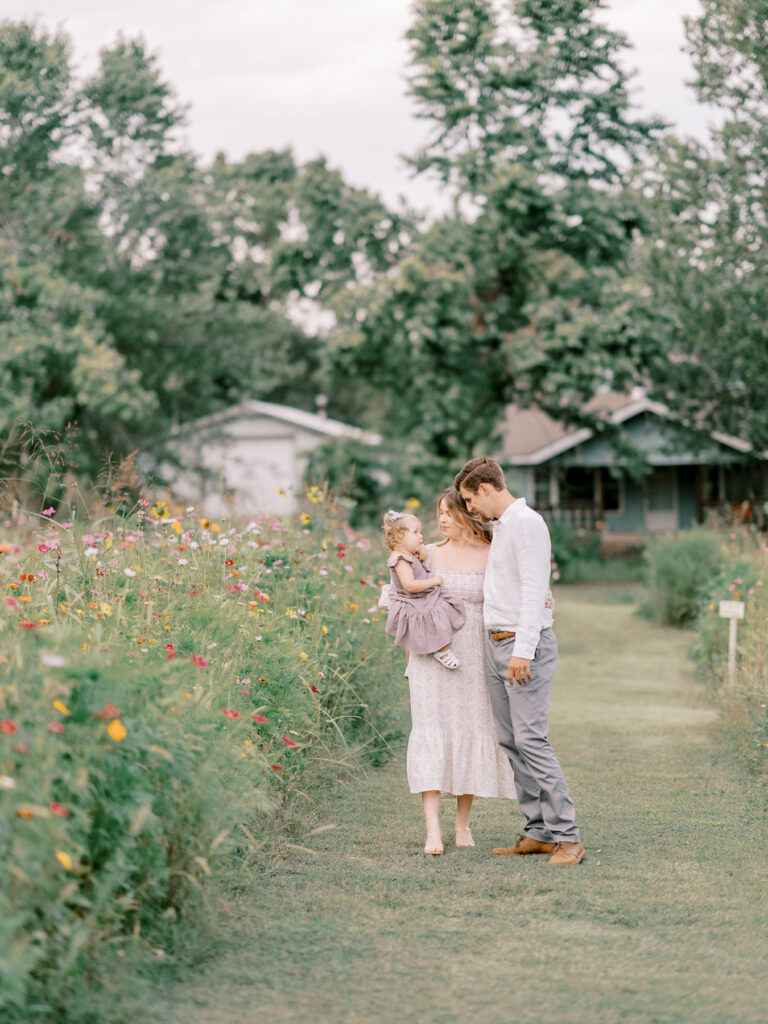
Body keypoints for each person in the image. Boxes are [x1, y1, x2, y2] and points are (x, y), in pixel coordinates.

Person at [455, 456, 585, 867]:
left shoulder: (527, 523)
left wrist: (522, 651)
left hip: (520, 647)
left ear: (487, 489)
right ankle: (538, 831)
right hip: (496, 644)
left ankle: (569, 838)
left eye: (469, 498)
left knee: (532, 740)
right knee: (511, 742)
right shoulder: (502, 527)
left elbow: (533, 592)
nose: (469, 507)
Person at [399, 490, 517, 855]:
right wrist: (410, 654)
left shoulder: (492, 553)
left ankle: (462, 822)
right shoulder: (427, 554)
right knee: (431, 732)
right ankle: (432, 831)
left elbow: (514, 594)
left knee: (472, 729)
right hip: (432, 657)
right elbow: (404, 598)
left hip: (478, 654)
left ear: (467, 514)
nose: (443, 520)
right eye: (439, 513)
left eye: (448, 512)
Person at [382, 509, 466, 669]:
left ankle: (412, 664)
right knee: (435, 611)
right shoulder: (400, 560)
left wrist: (420, 549)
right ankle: (442, 649)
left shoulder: (407, 553)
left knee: (436, 606)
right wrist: (434, 581)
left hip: (418, 594)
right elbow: (410, 585)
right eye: (415, 532)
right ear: (400, 537)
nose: (421, 536)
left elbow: (422, 557)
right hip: (411, 597)